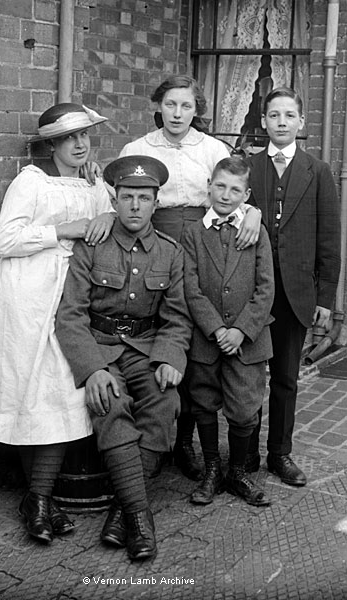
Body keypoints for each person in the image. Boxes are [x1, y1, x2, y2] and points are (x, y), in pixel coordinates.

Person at [0, 103, 115, 543]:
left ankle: (38, 499)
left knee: (62, 396)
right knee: (33, 394)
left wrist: (104, 214)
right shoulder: (31, 181)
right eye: (69, 138)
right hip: (27, 296)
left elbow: (111, 214)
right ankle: (41, 502)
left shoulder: (93, 182)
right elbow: (6, 240)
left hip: (71, 295)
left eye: (84, 136)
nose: (79, 144)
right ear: (51, 145)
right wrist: (64, 229)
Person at [118, 74, 262, 482]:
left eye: (186, 106)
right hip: (153, 241)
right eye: (170, 104)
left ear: (197, 110)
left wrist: (253, 212)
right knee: (162, 327)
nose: (177, 113)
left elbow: (233, 192)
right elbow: (117, 197)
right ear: (158, 106)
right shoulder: (138, 149)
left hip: (203, 242)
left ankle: (184, 441)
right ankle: (154, 436)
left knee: (194, 335)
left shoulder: (213, 149)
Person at [55, 155, 192, 561]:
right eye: (128, 197)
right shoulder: (92, 246)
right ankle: (139, 516)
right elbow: (71, 315)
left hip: (146, 349)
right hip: (100, 347)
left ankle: (123, 509)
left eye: (144, 198)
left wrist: (170, 358)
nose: (135, 206)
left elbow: (177, 318)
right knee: (109, 402)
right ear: (114, 201)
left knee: (165, 400)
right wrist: (92, 369)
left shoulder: (170, 252)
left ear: (156, 203)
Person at [246, 87, 341, 486]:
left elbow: (329, 239)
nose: (281, 122)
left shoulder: (317, 171)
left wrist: (324, 298)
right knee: (248, 376)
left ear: (301, 121)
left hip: (295, 292)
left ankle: (279, 454)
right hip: (252, 291)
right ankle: (244, 455)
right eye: (274, 115)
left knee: (285, 377)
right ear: (263, 121)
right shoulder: (248, 167)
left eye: (289, 115)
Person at [183, 156, 274, 507]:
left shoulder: (255, 232)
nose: (225, 195)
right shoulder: (193, 233)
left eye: (235, 189)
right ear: (209, 186)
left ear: (246, 195)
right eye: (220, 186)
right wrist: (216, 328)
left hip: (247, 341)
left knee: (245, 406)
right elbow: (190, 287)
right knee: (203, 401)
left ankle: (238, 472)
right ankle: (212, 470)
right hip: (207, 339)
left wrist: (240, 331)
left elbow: (265, 288)